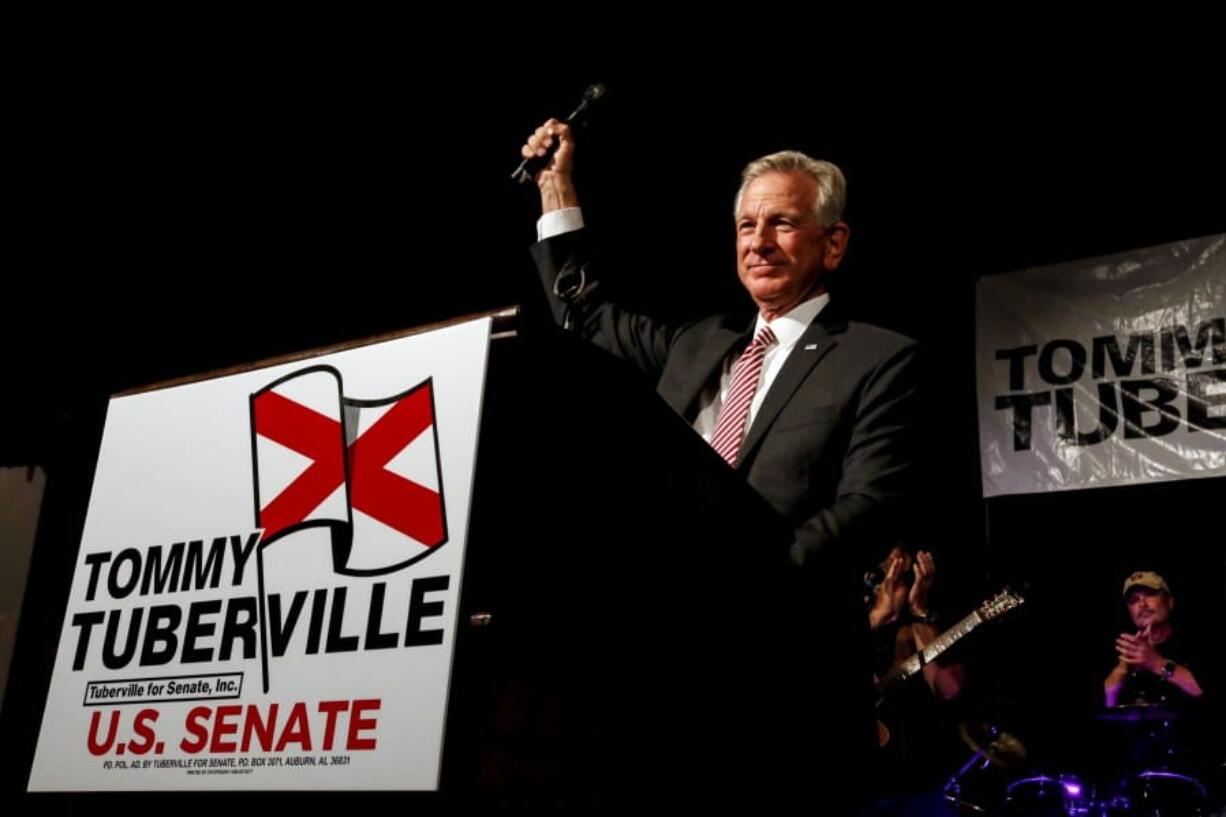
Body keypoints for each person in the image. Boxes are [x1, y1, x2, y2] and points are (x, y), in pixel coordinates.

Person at [520, 119, 920, 808]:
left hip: (788, 676)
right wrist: (557, 189)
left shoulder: (880, 357)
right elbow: (584, 317)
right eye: (745, 225)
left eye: (782, 223)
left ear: (834, 242)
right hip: (665, 665)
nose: (758, 242)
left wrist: (738, 580)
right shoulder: (699, 343)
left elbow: (869, 503)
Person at [1104, 571, 1205, 709]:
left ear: (1169, 602)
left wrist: (1156, 663)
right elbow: (1106, 707)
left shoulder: (1195, 641)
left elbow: (1203, 691)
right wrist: (1121, 671)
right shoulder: (1121, 649)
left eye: (1150, 594)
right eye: (1133, 600)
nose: (1142, 604)